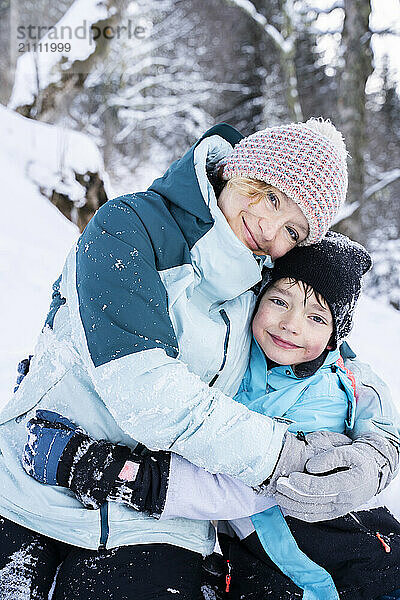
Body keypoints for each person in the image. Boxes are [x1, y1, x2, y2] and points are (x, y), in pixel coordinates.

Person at [0, 119, 399, 600]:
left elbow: (338, 357)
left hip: (159, 521)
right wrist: (285, 457)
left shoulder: (266, 280)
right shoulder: (130, 228)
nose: (270, 229)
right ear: (241, 171)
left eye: (293, 228)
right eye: (271, 197)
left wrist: (379, 450)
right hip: (37, 476)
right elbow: (147, 391)